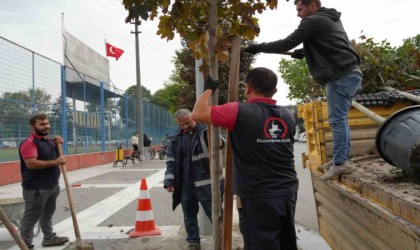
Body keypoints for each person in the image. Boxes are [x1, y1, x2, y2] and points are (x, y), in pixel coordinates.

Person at [244, 0, 362, 181]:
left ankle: (341, 163)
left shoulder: (313, 21)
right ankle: (341, 159)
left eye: (300, 9)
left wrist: (259, 47)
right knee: (340, 119)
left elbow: (285, 43)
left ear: (312, 6)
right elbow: (330, 44)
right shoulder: (330, 18)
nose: (298, 13)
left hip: (341, 75)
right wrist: (305, 50)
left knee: (337, 120)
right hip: (347, 73)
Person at [192, 68, 299, 250]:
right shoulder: (288, 116)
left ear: (248, 88)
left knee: (261, 243)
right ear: (274, 90)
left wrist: (208, 89)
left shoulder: (238, 111)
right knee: (286, 241)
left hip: (258, 194)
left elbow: (197, 113)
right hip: (288, 190)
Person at [163, 109, 225, 250]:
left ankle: (221, 242)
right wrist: (169, 181)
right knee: (189, 216)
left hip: (208, 183)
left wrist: (218, 142)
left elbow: (221, 143)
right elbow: (171, 162)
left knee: (216, 216)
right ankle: (193, 242)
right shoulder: (175, 138)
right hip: (186, 185)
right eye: (182, 124)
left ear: (193, 117)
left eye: (187, 123)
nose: (185, 126)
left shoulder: (206, 131)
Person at [18, 114, 69, 249]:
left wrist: (58, 144)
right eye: (42, 124)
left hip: (52, 185)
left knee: (48, 213)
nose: (46, 126)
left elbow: (59, 157)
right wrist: (56, 162)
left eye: (47, 123)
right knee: (30, 218)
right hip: (36, 189)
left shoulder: (50, 141)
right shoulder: (29, 143)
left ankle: (48, 238)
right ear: (32, 126)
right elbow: (31, 164)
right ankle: (25, 245)